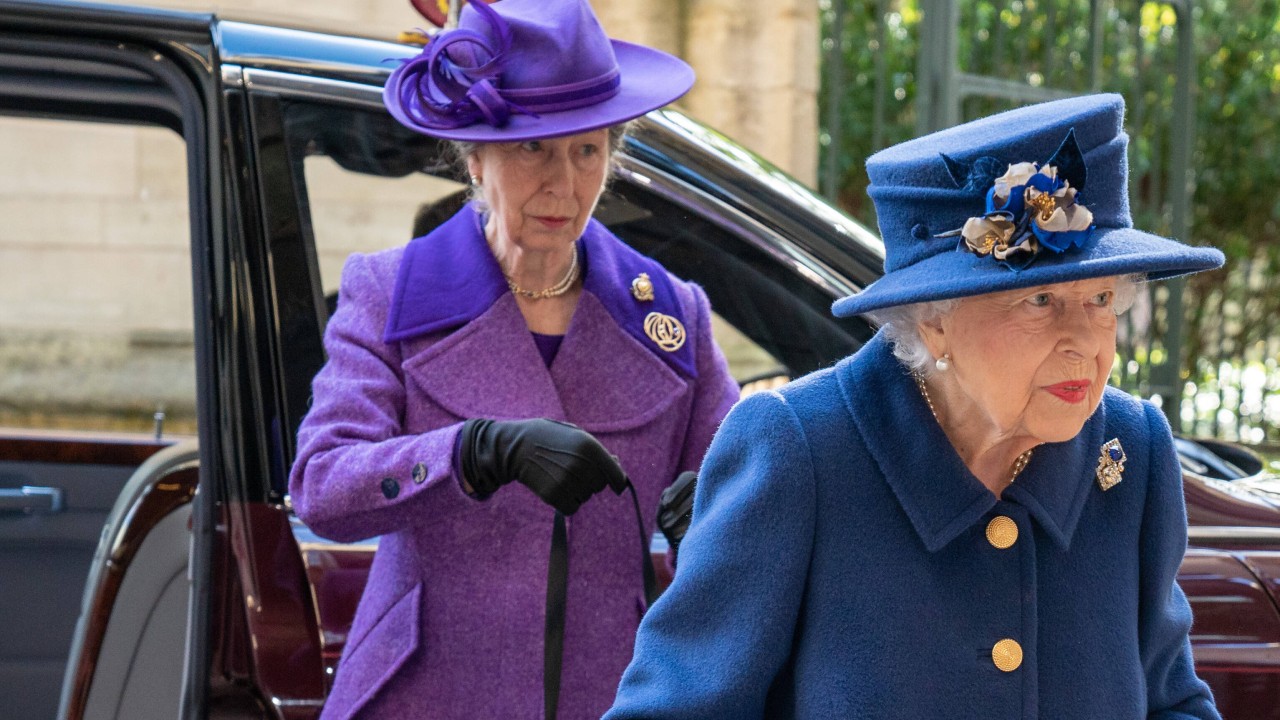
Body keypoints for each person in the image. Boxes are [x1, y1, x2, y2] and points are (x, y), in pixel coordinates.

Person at [606, 94, 1225, 719]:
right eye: (1040, 302)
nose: (1087, 343)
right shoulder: (802, 451)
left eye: (1100, 299)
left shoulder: (1130, 448)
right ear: (934, 323)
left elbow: (1171, 700)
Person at [287, 0, 739, 717]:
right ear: (474, 154)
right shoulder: (390, 293)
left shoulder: (669, 316)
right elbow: (321, 488)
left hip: (604, 696)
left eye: (587, 150)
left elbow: (747, 514)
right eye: (533, 148)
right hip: (424, 698)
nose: (563, 182)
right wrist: (470, 452)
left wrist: (714, 527)